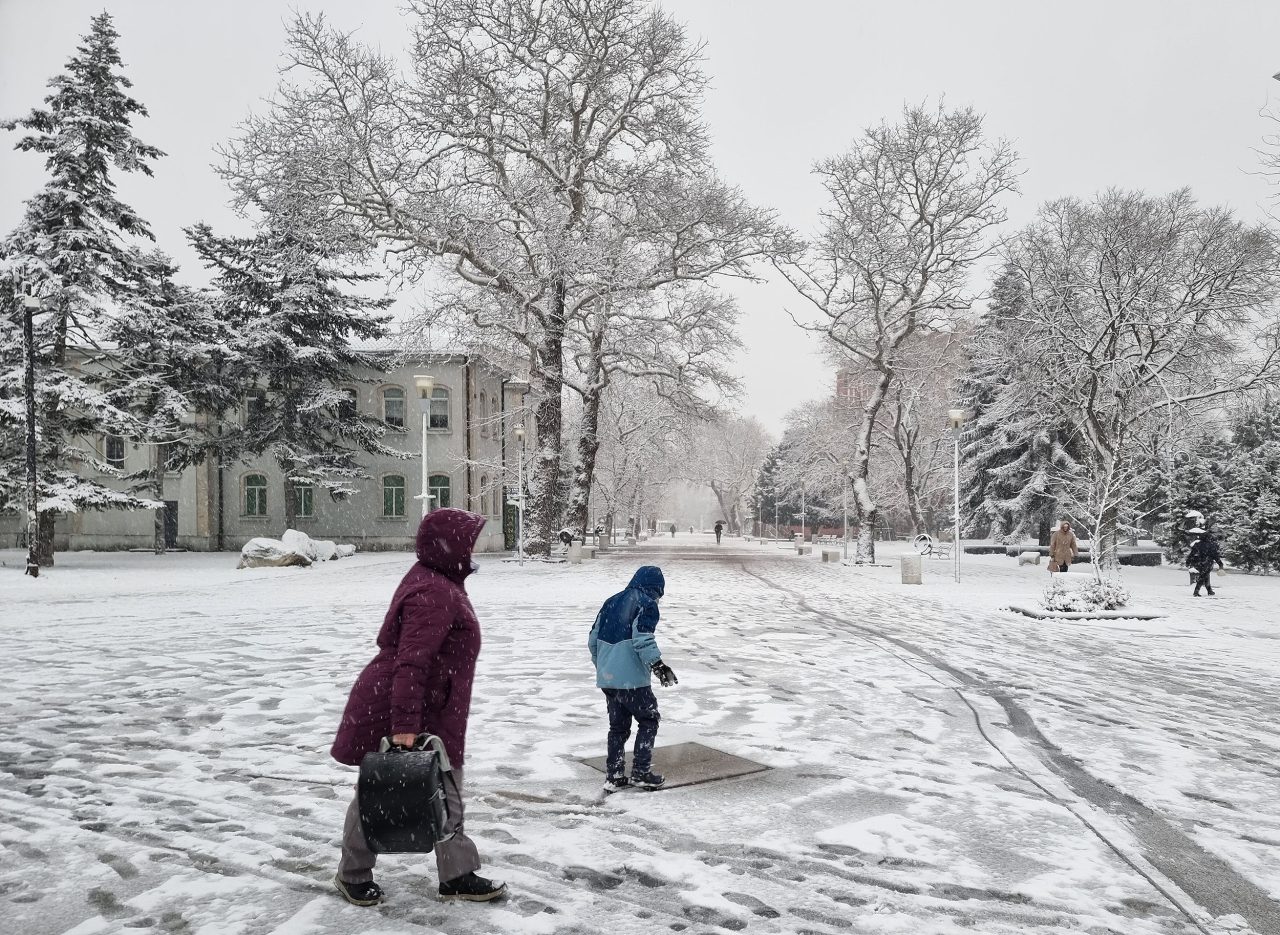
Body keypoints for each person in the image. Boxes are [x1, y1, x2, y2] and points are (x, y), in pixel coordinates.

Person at [330, 508, 506, 907]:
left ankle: (452, 874)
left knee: (412, 790)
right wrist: (404, 726)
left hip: (430, 705)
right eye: (468, 542)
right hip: (410, 707)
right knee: (389, 792)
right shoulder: (435, 592)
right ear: (449, 547)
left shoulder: (438, 580)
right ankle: (357, 874)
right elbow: (412, 662)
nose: (473, 549)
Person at [588, 566, 678, 794]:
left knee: (617, 728)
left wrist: (605, 669)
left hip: (608, 678)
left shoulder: (611, 601)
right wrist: (658, 666)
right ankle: (640, 773)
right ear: (655, 588)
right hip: (633, 681)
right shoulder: (646, 603)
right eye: (659, 593)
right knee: (649, 719)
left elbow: (592, 640)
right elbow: (643, 639)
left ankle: (615, 775)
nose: (658, 598)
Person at [1187, 529, 1225, 597]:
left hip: (1198, 562)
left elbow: (1192, 554)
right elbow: (1215, 555)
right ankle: (1196, 591)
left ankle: (1209, 590)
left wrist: (1188, 561)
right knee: (1203, 576)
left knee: (1205, 575)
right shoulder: (1212, 545)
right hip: (1208, 562)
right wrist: (1220, 564)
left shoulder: (1197, 544)